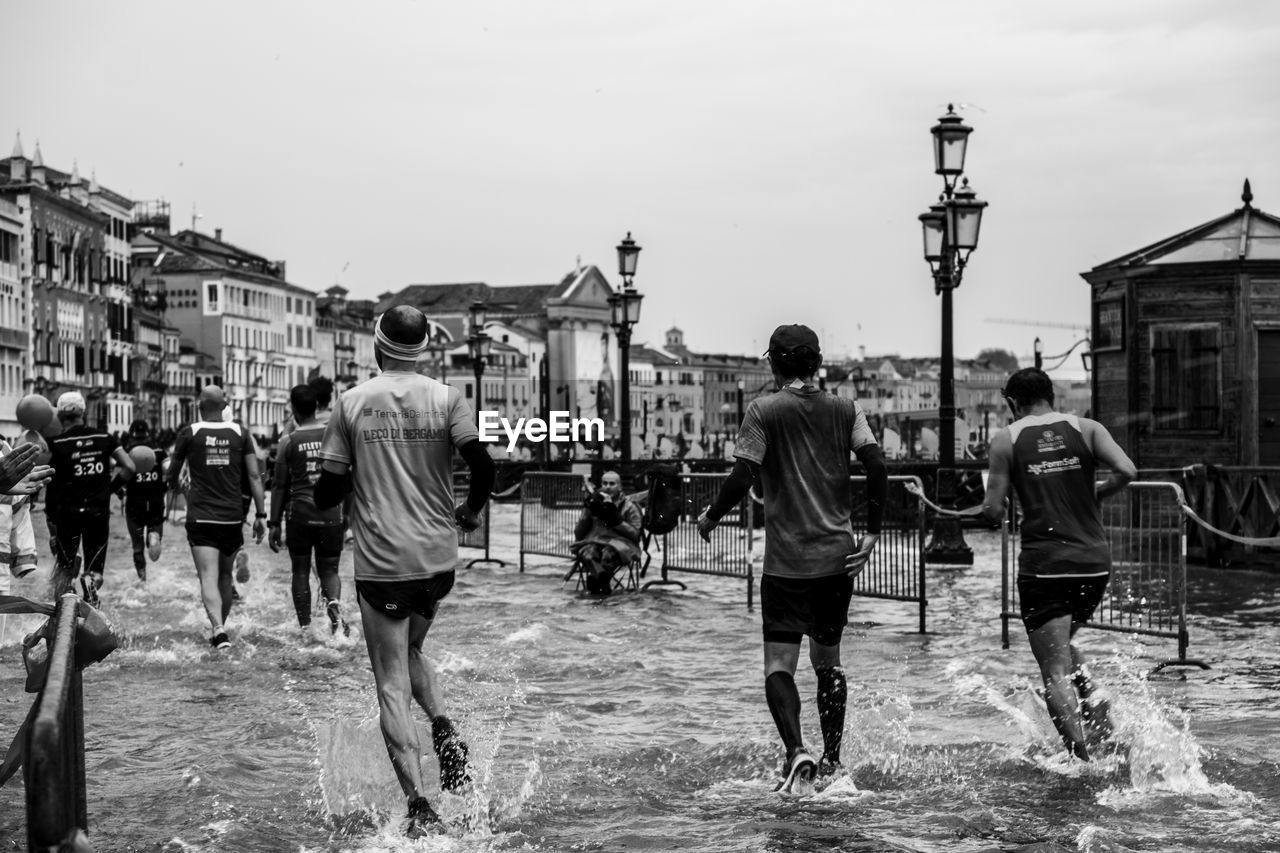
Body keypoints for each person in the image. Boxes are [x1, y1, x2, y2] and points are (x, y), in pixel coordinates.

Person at [315, 305, 495, 836]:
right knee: (412, 648)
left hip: (383, 563)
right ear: (421, 349)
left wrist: (345, 481)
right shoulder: (447, 398)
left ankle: (418, 803)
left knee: (390, 683)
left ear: (377, 345)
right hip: (437, 560)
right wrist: (472, 512)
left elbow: (327, 490)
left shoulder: (351, 403)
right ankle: (443, 726)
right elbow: (484, 464)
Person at [696, 325, 887, 793]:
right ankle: (834, 761)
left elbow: (743, 474)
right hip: (836, 562)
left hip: (785, 566)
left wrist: (711, 516)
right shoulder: (847, 408)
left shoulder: (764, 410)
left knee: (779, 666)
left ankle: (795, 750)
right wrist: (873, 534)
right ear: (816, 363)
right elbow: (877, 465)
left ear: (773, 364)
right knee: (828, 663)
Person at [980, 367, 1136, 761]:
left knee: (1053, 669)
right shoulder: (1088, 428)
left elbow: (992, 511)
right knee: (1063, 644)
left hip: (1045, 566)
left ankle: (1081, 763)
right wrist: (1094, 494)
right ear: (1052, 397)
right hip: (1094, 564)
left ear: (1013, 403)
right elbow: (1128, 471)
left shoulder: (1006, 440)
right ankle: (1094, 696)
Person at [167, 385, 267, 649]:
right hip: (232, 517)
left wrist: (174, 487)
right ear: (224, 407)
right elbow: (255, 476)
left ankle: (218, 629)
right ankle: (219, 632)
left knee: (208, 576)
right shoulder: (241, 434)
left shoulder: (189, 433)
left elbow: (173, 475)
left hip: (201, 516)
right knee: (225, 576)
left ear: (199, 406)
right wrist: (261, 514)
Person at [269, 384, 348, 637]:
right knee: (330, 570)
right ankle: (334, 606)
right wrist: (347, 516)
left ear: (293, 410)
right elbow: (348, 479)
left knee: (300, 570)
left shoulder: (288, 441)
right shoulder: (332, 435)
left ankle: (305, 628)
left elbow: (280, 486)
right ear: (317, 407)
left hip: (299, 515)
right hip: (330, 514)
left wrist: (273, 523)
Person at [47, 392, 136, 606]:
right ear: (83, 412)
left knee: (65, 569)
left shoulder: (57, 443)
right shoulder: (104, 438)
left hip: (67, 513)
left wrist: (50, 520)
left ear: (59, 415)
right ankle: (90, 585)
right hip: (97, 511)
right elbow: (130, 467)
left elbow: (50, 482)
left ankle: (63, 616)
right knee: (94, 568)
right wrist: (109, 489)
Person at [571, 470, 642, 595]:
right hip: (594, 541)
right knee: (588, 554)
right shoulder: (594, 503)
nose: (607, 487)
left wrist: (617, 522)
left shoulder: (630, 506)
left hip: (620, 544)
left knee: (607, 556)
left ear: (620, 486)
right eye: (605, 483)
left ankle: (597, 582)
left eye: (612, 484)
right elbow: (578, 534)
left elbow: (635, 535)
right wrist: (587, 513)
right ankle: (601, 578)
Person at [120, 418, 168, 581]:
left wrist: (117, 491)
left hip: (135, 503)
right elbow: (168, 469)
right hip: (156, 501)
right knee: (154, 534)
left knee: (137, 547)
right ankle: (153, 536)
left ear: (132, 433)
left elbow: (121, 478)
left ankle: (142, 580)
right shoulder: (159, 451)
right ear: (148, 432)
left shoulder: (127, 453)